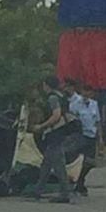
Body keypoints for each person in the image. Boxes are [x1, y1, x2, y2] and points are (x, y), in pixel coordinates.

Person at [30, 75, 76, 204]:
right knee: (47, 163)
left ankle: (64, 193)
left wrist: (42, 126)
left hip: (55, 133)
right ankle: (38, 190)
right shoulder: (61, 96)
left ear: (46, 85)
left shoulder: (53, 98)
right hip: (60, 133)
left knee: (58, 164)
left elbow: (56, 115)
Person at [72, 83, 102, 196]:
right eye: (84, 91)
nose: (86, 94)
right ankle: (78, 184)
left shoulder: (94, 104)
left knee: (90, 162)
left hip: (91, 136)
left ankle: (80, 181)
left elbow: (97, 121)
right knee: (80, 161)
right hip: (81, 136)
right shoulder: (75, 104)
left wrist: (101, 137)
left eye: (88, 91)